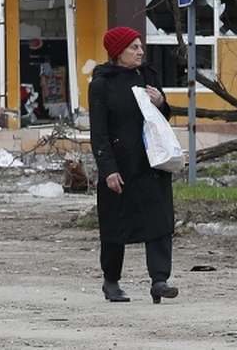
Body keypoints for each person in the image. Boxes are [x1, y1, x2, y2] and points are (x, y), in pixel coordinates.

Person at [88, 25, 180, 304]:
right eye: (134, 47)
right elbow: (99, 132)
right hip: (120, 165)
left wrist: (161, 102)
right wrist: (108, 169)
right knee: (116, 226)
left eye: (140, 46)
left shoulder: (147, 75)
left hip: (151, 162)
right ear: (118, 52)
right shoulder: (101, 84)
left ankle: (159, 280)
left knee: (160, 221)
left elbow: (162, 117)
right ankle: (111, 281)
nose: (141, 51)